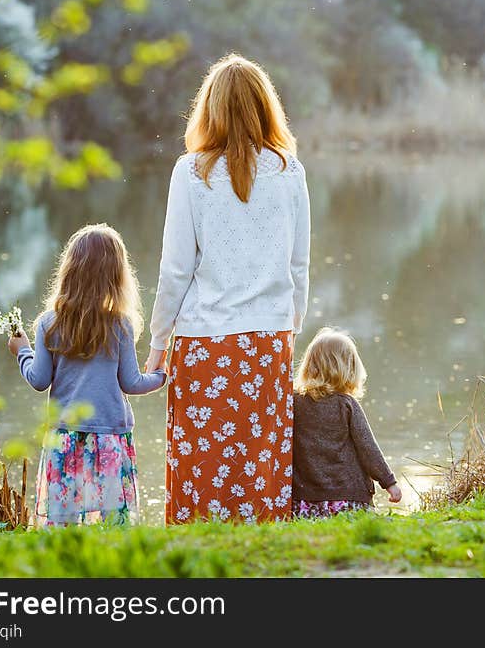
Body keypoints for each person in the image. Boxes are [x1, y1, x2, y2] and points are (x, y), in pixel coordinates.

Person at [146, 54, 310, 524]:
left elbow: (176, 269)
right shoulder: (289, 172)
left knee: (202, 469)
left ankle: (199, 564)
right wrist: (291, 325)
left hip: (203, 344)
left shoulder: (190, 172)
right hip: (267, 341)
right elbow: (298, 264)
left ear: (210, 109)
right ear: (265, 108)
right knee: (261, 467)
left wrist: (159, 343)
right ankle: (262, 556)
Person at [7, 224, 166, 526]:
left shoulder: (48, 323)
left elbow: (39, 380)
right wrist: (161, 375)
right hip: (109, 441)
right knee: (111, 526)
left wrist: (22, 351)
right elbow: (131, 383)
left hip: (64, 440)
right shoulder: (120, 326)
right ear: (117, 276)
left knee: (63, 524)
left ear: (69, 270)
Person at [292, 327, 401, 519]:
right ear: (349, 367)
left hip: (305, 501)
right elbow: (368, 448)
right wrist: (389, 482)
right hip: (348, 500)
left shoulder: (294, 402)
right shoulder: (346, 404)